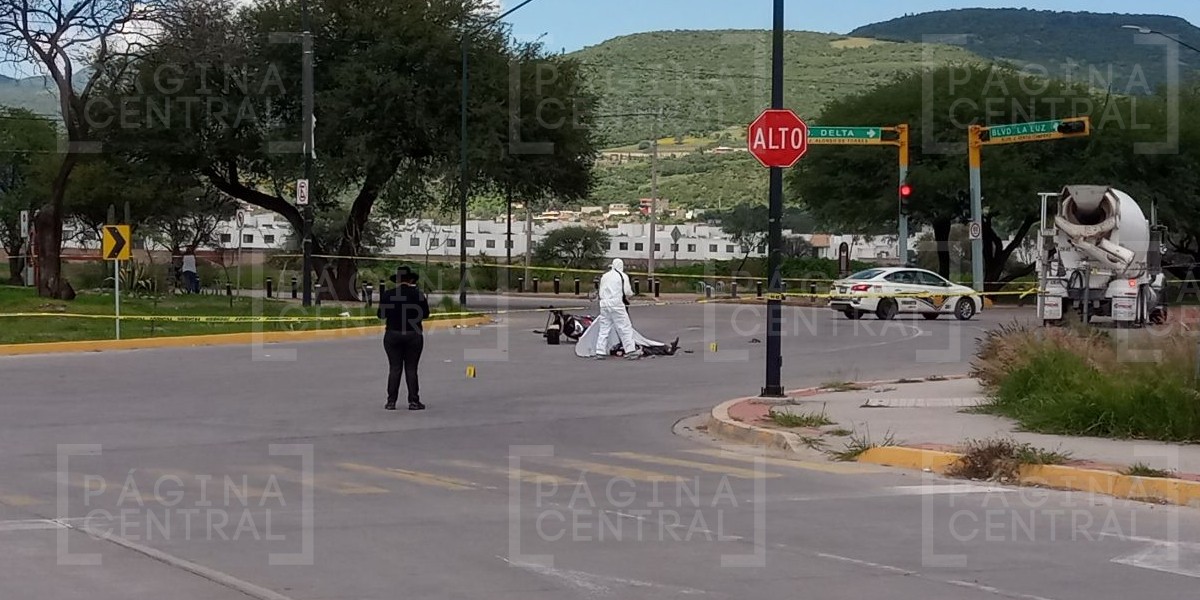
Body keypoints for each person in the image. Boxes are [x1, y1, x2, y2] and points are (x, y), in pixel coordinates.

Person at [377, 266, 430, 410]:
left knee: (394, 368)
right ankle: (413, 401)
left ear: (397, 280)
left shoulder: (388, 295)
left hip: (392, 334)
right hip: (413, 334)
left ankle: (391, 401)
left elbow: (380, 315)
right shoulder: (418, 295)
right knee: (411, 368)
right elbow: (425, 314)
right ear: (411, 279)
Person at [589, 258, 641, 360]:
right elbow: (627, 291)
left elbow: (600, 290)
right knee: (624, 327)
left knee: (604, 328)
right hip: (616, 304)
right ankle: (630, 350)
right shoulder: (622, 275)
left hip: (604, 304)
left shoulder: (605, 276)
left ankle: (600, 351)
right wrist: (632, 294)